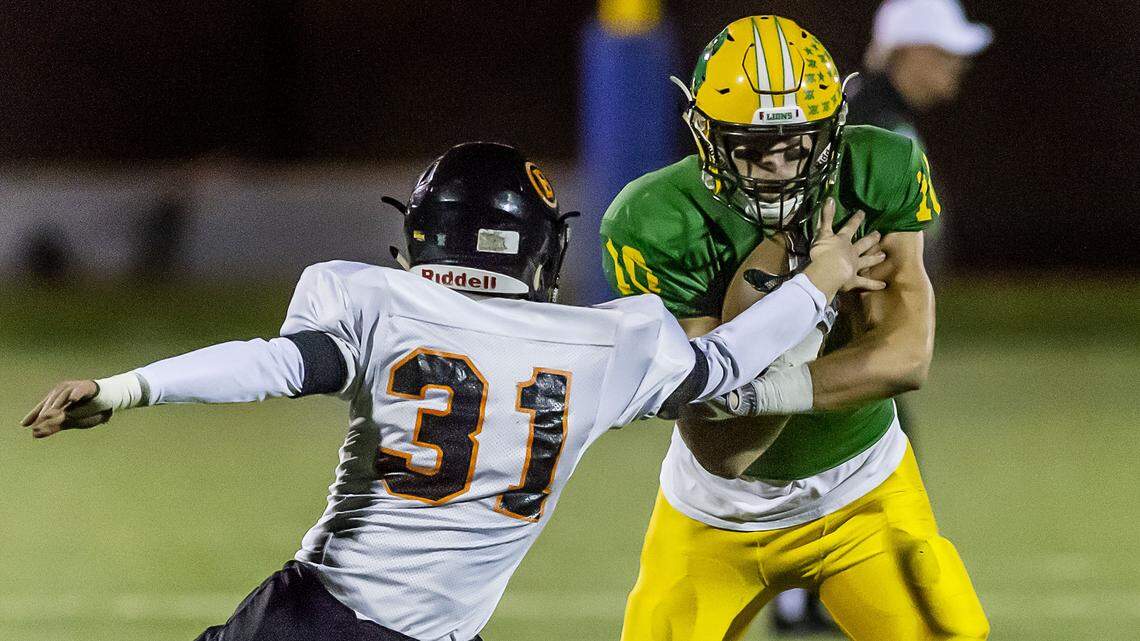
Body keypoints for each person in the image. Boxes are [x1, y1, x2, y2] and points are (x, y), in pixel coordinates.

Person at [20, 142, 883, 641]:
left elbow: (273, 364)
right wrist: (819, 283)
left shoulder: (372, 298)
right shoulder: (603, 346)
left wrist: (128, 387)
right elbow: (723, 365)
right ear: (538, 250)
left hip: (318, 620)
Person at [600, 16, 989, 640]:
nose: (777, 166)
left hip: (863, 488)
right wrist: (811, 295)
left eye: (796, 142)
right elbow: (724, 449)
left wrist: (752, 386)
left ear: (831, 131)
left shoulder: (878, 164)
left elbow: (905, 359)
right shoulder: (653, 218)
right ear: (706, 134)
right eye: (751, 146)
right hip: (715, 513)